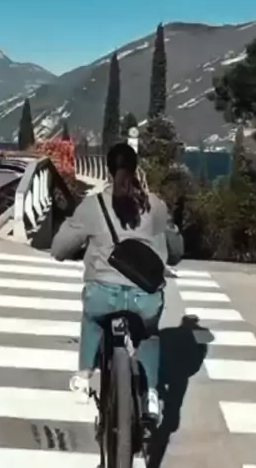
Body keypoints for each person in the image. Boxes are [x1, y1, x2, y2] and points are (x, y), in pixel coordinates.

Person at [50, 142, 184, 419]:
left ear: (108, 170)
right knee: (149, 334)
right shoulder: (155, 205)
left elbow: (59, 248)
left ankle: (84, 377)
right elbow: (176, 250)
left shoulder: (93, 206)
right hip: (145, 297)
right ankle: (152, 394)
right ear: (136, 169)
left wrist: (71, 249)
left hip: (103, 294)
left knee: (92, 318)